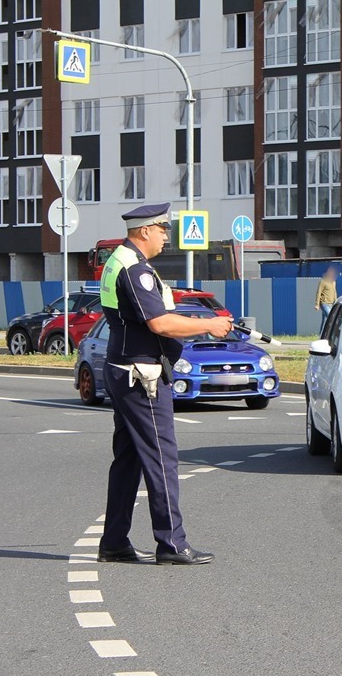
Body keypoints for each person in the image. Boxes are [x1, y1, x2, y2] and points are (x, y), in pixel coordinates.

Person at [97, 203, 233, 566]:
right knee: (161, 458)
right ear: (144, 231)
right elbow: (159, 324)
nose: (165, 236)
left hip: (123, 367)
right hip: (140, 374)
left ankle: (114, 542)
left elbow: (151, 317)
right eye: (162, 229)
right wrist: (209, 324)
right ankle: (171, 544)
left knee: (129, 459)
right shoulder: (134, 269)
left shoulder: (119, 261)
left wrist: (189, 319)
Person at [314, 267, 337, 333]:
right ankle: (333, 334)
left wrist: (336, 301)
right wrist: (317, 304)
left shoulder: (333, 282)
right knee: (331, 318)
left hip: (331, 303)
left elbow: (334, 292)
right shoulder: (323, 281)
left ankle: (321, 336)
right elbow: (318, 293)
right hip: (324, 303)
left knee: (324, 322)